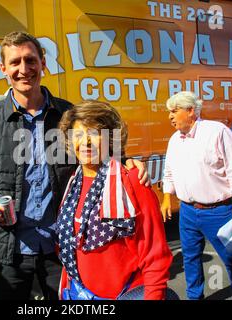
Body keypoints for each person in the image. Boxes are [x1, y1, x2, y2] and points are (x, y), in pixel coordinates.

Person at [0, 31, 148, 300]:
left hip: (61, 245)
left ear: (43, 64)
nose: (24, 69)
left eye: (30, 60)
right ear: (3, 68)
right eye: (15, 62)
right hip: (8, 248)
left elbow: (96, 149)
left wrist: (125, 159)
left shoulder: (67, 114)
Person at [56, 100, 172, 300]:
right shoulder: (73, 183)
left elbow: (155, 256)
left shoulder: (132, 180)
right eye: (78, 134)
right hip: (77, 294)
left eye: (93, 133)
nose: (85, 142)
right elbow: (72, 248)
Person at [160, 91, 232, 300]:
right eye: (169, 112)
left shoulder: (218, 132)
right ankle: (194, 297)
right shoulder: (175, 139)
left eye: (174, 111)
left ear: (191, 111)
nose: (170, 116)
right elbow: (169, 172)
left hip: (219, 211)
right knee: (191, 259)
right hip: (188, 212)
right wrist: (167, 197)